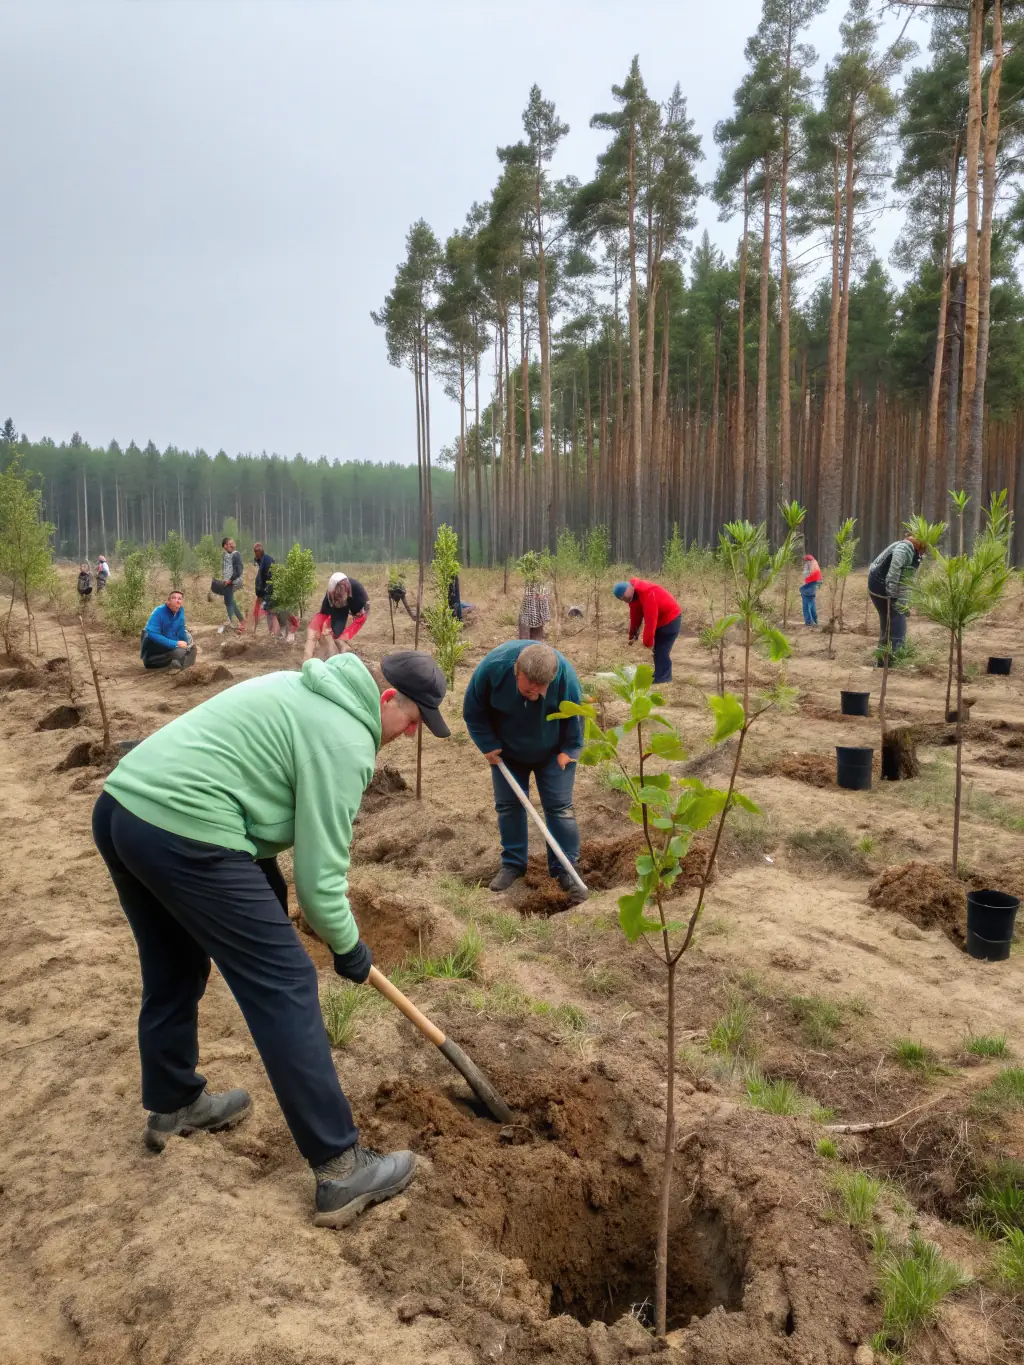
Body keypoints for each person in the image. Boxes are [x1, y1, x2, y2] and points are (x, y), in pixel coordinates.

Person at [92, 648, 450, 1227]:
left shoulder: (304, 687)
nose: (410, 736)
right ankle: (341, 1166)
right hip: (183, 823)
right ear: (388, 700)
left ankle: (173, 1101)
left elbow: (257, 805)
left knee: (175, 965)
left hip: (124, 809)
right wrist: (349, 948)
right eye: (412, 722)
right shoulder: (346, 739)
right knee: (285, 979)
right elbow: (320, 883)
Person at [463, 641, 585, 904]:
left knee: (560, 807)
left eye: (542, 687)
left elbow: (576, 716)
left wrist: (570, 749)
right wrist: (487, 744)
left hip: (554, 754)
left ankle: (566, 869)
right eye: (530, 684)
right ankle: (513, 864)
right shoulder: (492, 669)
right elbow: (473, 711)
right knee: (509, 806)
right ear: (516, 670)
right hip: (507, 752)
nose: (536, 691)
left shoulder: (564, 677)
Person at [613, 578, 682, 683]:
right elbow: (635, 616)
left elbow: (650, 620)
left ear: (629, 589)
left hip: (671, 619)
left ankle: (664, 678)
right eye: (622, 599)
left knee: (662, 650)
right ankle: (659, 674)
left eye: (624, 597)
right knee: (657, 650)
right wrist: (632, 635)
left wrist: (647, 642)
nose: (624, 600)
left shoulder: (647, 593)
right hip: (660, 621)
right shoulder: (633, 596)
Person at [868, 535, 927, 656]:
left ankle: (883, 658)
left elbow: (904, 581)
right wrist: (896, 601)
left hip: (881, 585)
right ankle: (896, 657)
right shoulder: (904, 549)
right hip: (880, 585)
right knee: (897, 621)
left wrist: (903, 604)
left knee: (889, 622)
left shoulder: (914, 553)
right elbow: (893, 576)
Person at [304, 572, 369, 661]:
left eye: (339, 597)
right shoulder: (330, 597)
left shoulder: (358, 594)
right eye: (335, 597)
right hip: (334, 612)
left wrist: (339, 636)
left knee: (339, 639)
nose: (337, 599)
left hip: (358, 613)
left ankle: (343, 657)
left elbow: (356, 616)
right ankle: (307, 661)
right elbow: (324, 614)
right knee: (312, 635)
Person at [141, 589, 198, 671]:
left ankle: (187, 670)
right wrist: (176, 643)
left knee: (192, 648)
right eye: (174, 598)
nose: (177, 601)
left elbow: (181, 630)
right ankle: (175, 666)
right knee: (179, 651)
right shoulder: (158, 612)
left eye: (180, 599)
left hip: (166, 647)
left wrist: (187, 643)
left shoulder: (179, 613)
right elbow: (153, 635)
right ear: (168, 601)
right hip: (152, 655)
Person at [252, 543, 299, 640]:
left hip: (272, 588)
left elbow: (269, 577)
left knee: (274, 611)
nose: (256, 555)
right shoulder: (261, 561)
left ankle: (277, 633)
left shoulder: (267, 561)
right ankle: (273, 632)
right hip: (269, 589)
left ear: (259, 552)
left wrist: (263, 591)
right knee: (271, 611)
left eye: (256, 552)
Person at [212, 537, 245, 633]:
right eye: (230, 543)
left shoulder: (236, 555)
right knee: (229, 601)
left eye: (233, 543)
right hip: (228, 581)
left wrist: (230, 580)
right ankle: (242, 621)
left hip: (234, 581)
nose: (233, 545)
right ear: (225, 546)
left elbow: (238, 570)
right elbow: (227, 569)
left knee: (229, 601)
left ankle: (229, 622)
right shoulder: (226, 555)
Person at [800, 554, 822, 628]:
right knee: (812, 603)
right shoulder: (815, 564)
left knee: (806, 605)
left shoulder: (809, 564)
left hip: (810, 585)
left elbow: (806, 575)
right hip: (814, 585)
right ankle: (815, 620)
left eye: (804, 561)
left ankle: (809, 621)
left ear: (807, 560)